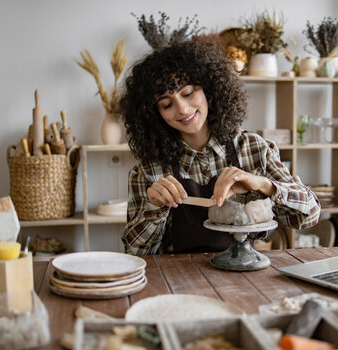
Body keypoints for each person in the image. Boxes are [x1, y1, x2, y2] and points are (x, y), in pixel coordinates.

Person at [119, 41, 320, 255]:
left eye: (187, 93)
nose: (183, 109)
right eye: (167, 104)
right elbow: (135, 252)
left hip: (244, 272)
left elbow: (309, 215)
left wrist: (264, 185)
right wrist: (154, 208)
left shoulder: (253, 149)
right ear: (154, 114)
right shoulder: (149, 172)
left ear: (208, 88)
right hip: (180, 279)